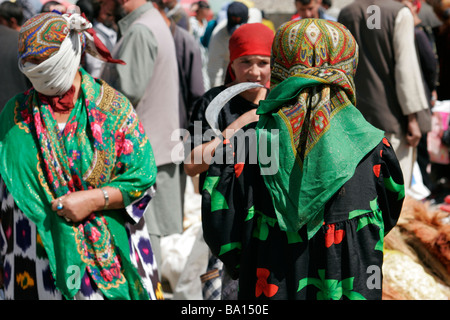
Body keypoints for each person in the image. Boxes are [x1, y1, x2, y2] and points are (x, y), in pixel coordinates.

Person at [201, 18, 405, 300]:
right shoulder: (375, 147)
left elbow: (220, 226)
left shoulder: (243, 145)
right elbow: (389, 213)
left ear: (280, 67)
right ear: (347, 68)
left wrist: (248, 262)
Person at [0, 11, 162, 300]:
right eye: (31, 66)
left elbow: (143, 177)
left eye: (45, 65)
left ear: (68, 55)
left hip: (102, 263)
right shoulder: (14, 115)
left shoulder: (113, 111)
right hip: (33, 257)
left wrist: (92, 199)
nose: (38, 72)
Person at [185, 22, 274, 300]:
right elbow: (192, 163)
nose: (255, 71)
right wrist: (239, 126)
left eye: (263, 62)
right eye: (246, 62)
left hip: (272, 228)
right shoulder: (213, 103)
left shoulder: (284, 103)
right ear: (231, 63)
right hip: (226, 226)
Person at [101, 0, 183, 274]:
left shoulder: (140, 30)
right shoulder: (150, 23)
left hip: (145, 156)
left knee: (147, 240)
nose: (101, 4)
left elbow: (124, 95)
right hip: (155, 150)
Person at [338, 0, 429, 190]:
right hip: (392, 119)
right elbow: (406, 68)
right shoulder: (399, 13)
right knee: (394, 193)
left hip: (353, 119)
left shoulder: (347, 13)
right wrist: (413, 117)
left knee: (361, 194)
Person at [207, 1, 249, 89]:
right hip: (226, 75)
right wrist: (216, 92)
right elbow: (214, 68)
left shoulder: (253, 29)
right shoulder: (218, 35)